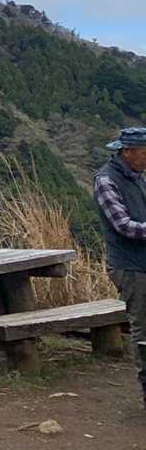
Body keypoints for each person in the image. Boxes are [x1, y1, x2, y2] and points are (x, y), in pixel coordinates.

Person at [95, 126, 146, 409]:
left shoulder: (137, 176)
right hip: (130, 266)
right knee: (143, 330)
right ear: (127, 152)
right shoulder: (106, 180)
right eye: (145, 153)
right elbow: (124, 226)